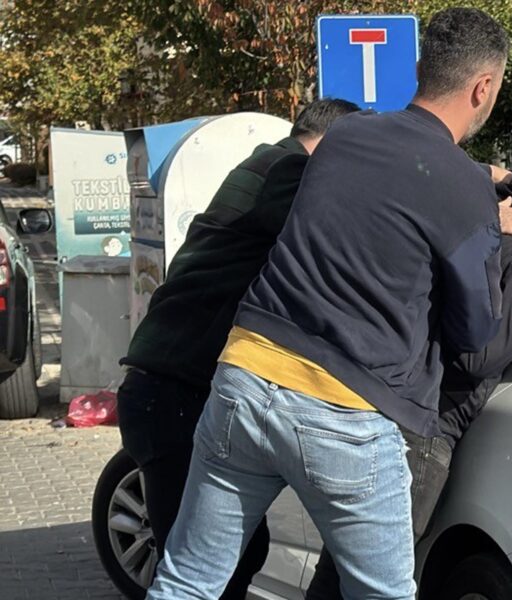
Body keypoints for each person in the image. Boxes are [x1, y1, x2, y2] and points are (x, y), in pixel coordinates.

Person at [144, 8, 512, 600]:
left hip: (246, 374)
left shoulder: (345, 135)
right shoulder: (464, 185)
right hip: (347, 407)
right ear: (483, 87)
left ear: (421, 68)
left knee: (188, 580)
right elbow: (474, 329)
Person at [305, 138, 512, 600]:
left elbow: (422, 171)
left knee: (341, 575)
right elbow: (482, 356)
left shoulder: (472, 216)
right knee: (371, 584)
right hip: (426, 428)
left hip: (372, 401)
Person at [115, 98, 361, 600]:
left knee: (236, 554)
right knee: (203, 570)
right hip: (172, 391)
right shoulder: (288, 172)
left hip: (170, 386)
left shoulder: (268, 163)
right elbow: (355, 229)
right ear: (336, 145)